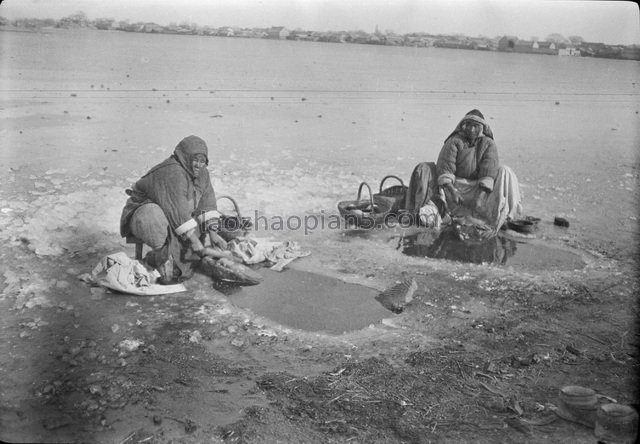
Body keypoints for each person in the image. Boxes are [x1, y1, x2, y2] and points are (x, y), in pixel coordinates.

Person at [120, 135, 235, 284]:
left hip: (174, 217)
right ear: (185, 157)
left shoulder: (202, 173)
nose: (198, 165)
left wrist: (213, 234)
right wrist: (194, 241)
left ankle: (177, 260)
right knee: (152, 217)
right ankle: (161, 258)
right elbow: (177, 210)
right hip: (146, 216)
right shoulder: (172, 172)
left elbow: (207, 202)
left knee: (191, 248)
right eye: (195, 160)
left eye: (202, 161)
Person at [404, 109, 522, 233]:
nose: (471, 130)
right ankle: (446, 215)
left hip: (479, 189)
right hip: (455, 188)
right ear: (463, 125)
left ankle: (503, 217)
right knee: (431, 206)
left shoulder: (488, 144)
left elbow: (488, 172)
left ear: (482, 128)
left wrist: (480, 197)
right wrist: (452, 191)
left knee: (505, 171)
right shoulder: (454, 141)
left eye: (475, 126)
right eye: (469, 125)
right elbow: (445, 167)